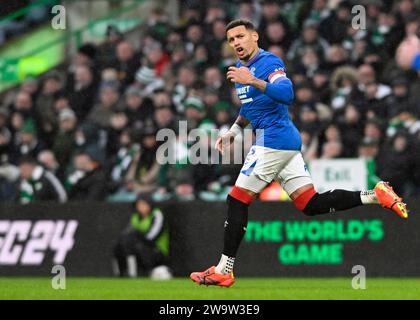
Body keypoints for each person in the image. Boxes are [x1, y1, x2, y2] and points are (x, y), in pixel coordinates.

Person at [190, 19, 409, 288]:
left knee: (237, 199)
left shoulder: (268, 63)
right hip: (284, 143)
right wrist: (233, 132)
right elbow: (249, 107)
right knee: (310, 204)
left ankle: (225, 269)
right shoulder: (241, 71)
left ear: (255, 37)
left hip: (274, 140)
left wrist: (254, 80)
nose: (235, 42)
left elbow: (287, 92)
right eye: (231, 39)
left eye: (240, 36)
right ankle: (376, 195)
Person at [113, 194, 170, 278]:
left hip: (156, 250)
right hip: (137, 247)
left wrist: (137, 235)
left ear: (150, 204)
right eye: (139, 205)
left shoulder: (157, 214)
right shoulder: (135, 217)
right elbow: (127, 233)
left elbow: (152, 236)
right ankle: (119, 274)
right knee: (119, 246)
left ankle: (136, 273)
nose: (141, 207)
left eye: (144, 204)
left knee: (137, 245)